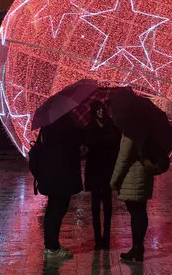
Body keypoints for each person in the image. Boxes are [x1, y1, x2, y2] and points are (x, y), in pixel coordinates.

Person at [34, 114, 83, 259]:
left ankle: (51, 245)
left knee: (53, 208)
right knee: (57, 209)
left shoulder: (47, 126)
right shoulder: (66, 126)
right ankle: (52, 247)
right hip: (62, 175)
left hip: (51, 175)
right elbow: (71, 148)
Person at [110, 128, 155, 262]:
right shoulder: (148, 130)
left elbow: (123, 158)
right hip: (144, 175)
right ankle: (138, 248)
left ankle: (137, 249)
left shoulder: (131, 131)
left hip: (132, 177)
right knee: (141, 212)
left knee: (136, 213)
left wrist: (114, 181)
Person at [83, 101, 120, 250]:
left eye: (102, 109)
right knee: (95, 206)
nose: (100, 112)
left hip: (107, 170)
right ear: (93, 111)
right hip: (94, 170)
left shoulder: (111, 124)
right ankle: (97, 238)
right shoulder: (90, 126)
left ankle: (107, 237)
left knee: (108, 206)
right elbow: (90, 142)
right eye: (97, 110)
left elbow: (115, 142)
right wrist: (103, 141)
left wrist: (100, 142)